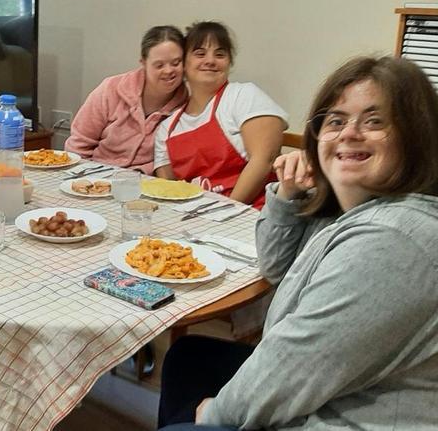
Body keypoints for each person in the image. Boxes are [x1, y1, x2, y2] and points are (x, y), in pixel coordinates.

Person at [158, 56, 438, 430]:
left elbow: (294, 367)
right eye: (336, 121)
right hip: (326, 382)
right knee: (190, 356)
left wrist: (211, 414)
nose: (349, 133)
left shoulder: (392, 240)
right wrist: (287, 195)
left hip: (343, 414)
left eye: (374, 121)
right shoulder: (341, 206)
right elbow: (275, 268)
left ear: (416, 136)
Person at [154, 21, 287, 208]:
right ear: (183, 63)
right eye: (200, 53)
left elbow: (264, 159)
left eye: (220, 54)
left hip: (256, 213)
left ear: (229, 62)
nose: (210, 61)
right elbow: (167, 190)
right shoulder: (166, 129)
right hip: (195, 217)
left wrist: (225, 210)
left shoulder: (244, 95)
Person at [65, 25, 188, 174]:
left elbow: (174, 161)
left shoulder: (187, 107)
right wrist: (87, 180)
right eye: (159, 65)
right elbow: (78, 145)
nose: (168, 71)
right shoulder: (111, 89)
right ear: (143, 63)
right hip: (94, 178)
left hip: (146, 185)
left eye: (176, 63)